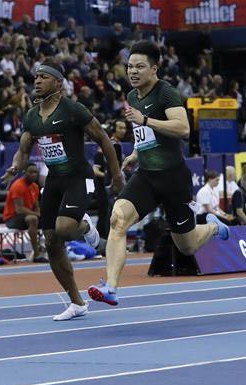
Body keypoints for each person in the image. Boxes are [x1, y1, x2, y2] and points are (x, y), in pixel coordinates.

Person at [88, 41, 230, 306]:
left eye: (140, 67)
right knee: (118, 219)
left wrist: (145, 120)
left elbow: (183, 129)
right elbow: (144, 134)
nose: (133, 72)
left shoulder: (166, 93)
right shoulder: (132, 96)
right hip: (146, 176)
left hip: (173, 178)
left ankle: (212, 226)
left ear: (154, 69)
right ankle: (110, 287)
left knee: (186, 246)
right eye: (130, 66)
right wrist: (135, 152)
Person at [1, 60, 124, 321]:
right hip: (54, 181)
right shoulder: (32, 116)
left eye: (44, 77)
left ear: (58, 83)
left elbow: (103, 139)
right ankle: (77, 302)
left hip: (79, 178)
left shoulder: (73, 110)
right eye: (36, 77)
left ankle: (86, 227)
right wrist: (14, 167)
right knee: (52, 243)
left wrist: (116, 174)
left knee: (65, 229)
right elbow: (23, 151)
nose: (37, 81)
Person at [3, 163, 45, 262]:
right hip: (12, 218)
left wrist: (41, 215)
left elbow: (36, 206)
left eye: (35, 172)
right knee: (33, 219)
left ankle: (49, 249)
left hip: (28, 216)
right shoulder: (18, 186)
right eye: (31, 172)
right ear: (24, 172)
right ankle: (37, 255)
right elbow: (19, 209)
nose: (33, 174)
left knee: (50, 219)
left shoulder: (35, 186)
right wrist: (37, 215)